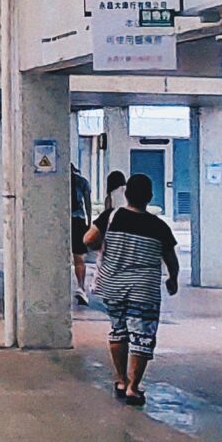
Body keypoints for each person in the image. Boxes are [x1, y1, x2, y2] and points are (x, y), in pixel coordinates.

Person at [84, 173, 180, 405]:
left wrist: (104, 245)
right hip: (143, 290)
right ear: (149, 197)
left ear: (126, 195)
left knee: (118, 331)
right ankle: (134, 387)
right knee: (142, 337)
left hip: (114, 285)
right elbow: (171, 258)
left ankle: (120, 379)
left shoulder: (111, 217)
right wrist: (172, 279)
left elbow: (88, 240)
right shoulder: (159, 226)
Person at [69, 167, 95, 304]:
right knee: (79, 258)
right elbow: (88, 204)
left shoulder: (62, 180)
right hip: (78, 221)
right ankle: (81, 287)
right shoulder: (83, 182)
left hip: (63, 221)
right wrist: (89, 222)